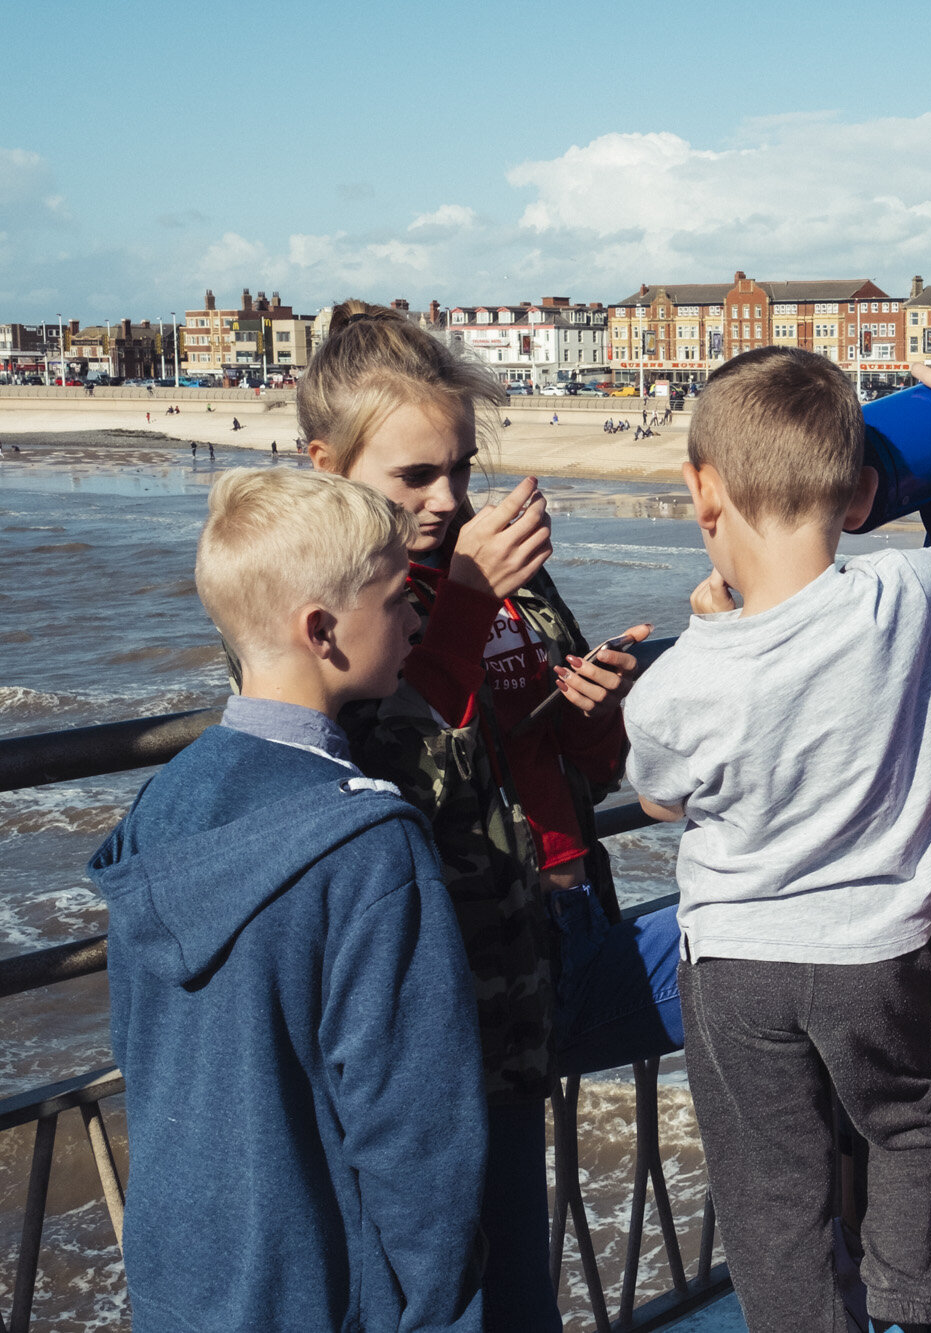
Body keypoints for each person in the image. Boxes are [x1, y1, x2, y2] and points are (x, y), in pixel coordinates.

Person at [298, 300, 683, 1333]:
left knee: (763, 944)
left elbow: (569, 766)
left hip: (570, 926)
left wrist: (594, 714)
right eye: (414, 475)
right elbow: (365, 790)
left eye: (461, 469)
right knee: (500, 1291)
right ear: (326, 463)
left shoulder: (509, 575)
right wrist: (461, 595)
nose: (448, 499)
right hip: (465, 988)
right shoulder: (327, 603)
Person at [623, 346, 931, 1333]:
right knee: (902, 1131)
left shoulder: (675, 686)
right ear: (861, 497)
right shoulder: (895, 599)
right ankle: (900, 1304)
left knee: (770, 1186)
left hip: (737, 960)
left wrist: (704, 626)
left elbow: (661, 801)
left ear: (701, 493)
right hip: (878, 952)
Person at [88, 467, 485, 1333]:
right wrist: (433, 1305)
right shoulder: (372, 846)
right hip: (329, 1286)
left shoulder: (164, 802)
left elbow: (138, 1041)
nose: (417, 615)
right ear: (323, 630)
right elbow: (417, 1130)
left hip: (185, 1271)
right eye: (396, 597)